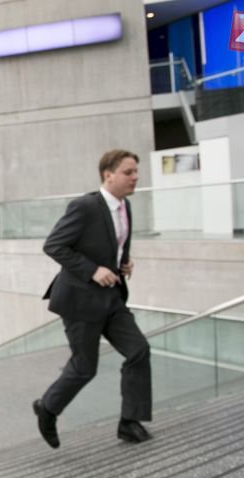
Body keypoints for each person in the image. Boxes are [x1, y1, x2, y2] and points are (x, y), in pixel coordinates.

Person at [33, 149, 152, 449]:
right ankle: (47, 408)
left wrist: (123, 263)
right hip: (80, 300)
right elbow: (54, 245)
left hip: (112, 297)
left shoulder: (125, 206)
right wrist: (93, 270)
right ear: (108, 175)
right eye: (128, 172)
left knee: (138, 350)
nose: (135, 177)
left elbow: (114, 245)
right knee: (85, 367)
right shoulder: (85, 206)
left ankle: (129, 422)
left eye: (136, 172)